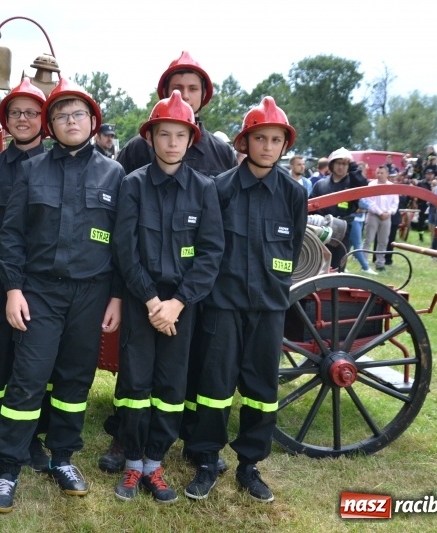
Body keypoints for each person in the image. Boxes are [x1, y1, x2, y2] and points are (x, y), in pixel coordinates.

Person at [0, 78, 123, 513]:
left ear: (92, 121)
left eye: (78, 114)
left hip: (91, 294)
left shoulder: (115, 175)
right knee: (27, 378)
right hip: (39, 292)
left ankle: (63, 458)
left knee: (74, 381)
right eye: (61, 115)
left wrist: (116, 298)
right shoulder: (31, 170)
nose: (70, 121)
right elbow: (11, 238)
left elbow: (123, 243)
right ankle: (9, 468)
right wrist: (13, 290)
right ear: (52, 125)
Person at [100, 50, 236, 475]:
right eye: (164, 135)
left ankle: (166, 450)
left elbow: (213, 246)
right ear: (151, 137)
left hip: (187, 299)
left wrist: (178, 301)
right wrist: (149, 299)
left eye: (180, 135)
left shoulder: (214, 165)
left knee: (177, 378)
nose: (172, 141)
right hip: (145, 296)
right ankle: (130, 446)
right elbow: (125, 245)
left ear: (191, 136)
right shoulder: (133, 178)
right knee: (135, 380)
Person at [181, 97, 306, 502]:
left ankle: (250, 466)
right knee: (213, 386)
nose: (267, 146)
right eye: (260, 138)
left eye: (275, 139)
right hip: (223, 307)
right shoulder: (219, 189)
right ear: (244, 142)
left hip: (268, 309)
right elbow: (207, 247)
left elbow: (293, 247)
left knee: (260, 390)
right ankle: (205, 460)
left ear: (284, 145)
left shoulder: (292, 193)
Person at [0, 78, 50, 471]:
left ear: (43, 120)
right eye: (16, 112)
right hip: (1, 279)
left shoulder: (56, 167)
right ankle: (0, 430)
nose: (23, 119)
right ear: (6, 118)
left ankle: (35, 437)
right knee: (1, 357)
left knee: (37, 361)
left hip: (45, 283)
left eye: (31, 112)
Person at [116, 51, 236, 177]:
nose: (185, 95)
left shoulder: (223, 153)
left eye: (193, 89)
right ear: (165, 91)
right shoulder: (137, 149)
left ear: (204, 94)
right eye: (177, 88)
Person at [311, 147, 368, 269]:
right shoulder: (320, 185)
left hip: (343, 230)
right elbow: (311, 207)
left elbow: (363, 185)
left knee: (338, 266)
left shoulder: (353, 184)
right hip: (321, 229)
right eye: (338, 163)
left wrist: (353, 165)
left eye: (344, 163)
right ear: (332, 165)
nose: (341, 166)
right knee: (317, 265)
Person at [363, 166, 399, 271]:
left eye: (381, 173)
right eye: (378, 173)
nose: (379, 175)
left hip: (387, 217)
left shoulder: (392, 187)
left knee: (383, 241)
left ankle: (380, 263)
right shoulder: (371, 185)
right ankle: (364, 262)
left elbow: (395, 203)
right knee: (368, 239)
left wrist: (389, 212)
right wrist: (380, 212)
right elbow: (369, 201)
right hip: (373, 215)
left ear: (387, 174)